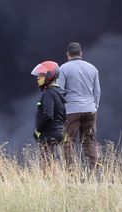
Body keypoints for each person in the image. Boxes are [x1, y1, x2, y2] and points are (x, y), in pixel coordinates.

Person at [58, 42, 103, 171]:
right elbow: (97, 91)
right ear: (81, 53)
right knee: (89, 141)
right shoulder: (93, 68)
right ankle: (95, 172)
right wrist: (94, 107)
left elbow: (60, 91)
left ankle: (71, 172)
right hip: (90, 110)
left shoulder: (63, 69)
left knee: (68, 141)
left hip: (72, 111)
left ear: (68, 54)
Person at [31, 60, 66, 171]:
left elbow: (47, 114)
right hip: (58, 132)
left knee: (46, 163)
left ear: (49, 76)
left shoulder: (48, 94)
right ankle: (55, 179)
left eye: (41, 75)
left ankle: (49, 180)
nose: (38, 78)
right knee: (52, 160)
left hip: (49, 134)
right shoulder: (59, 93)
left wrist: (38, 130)